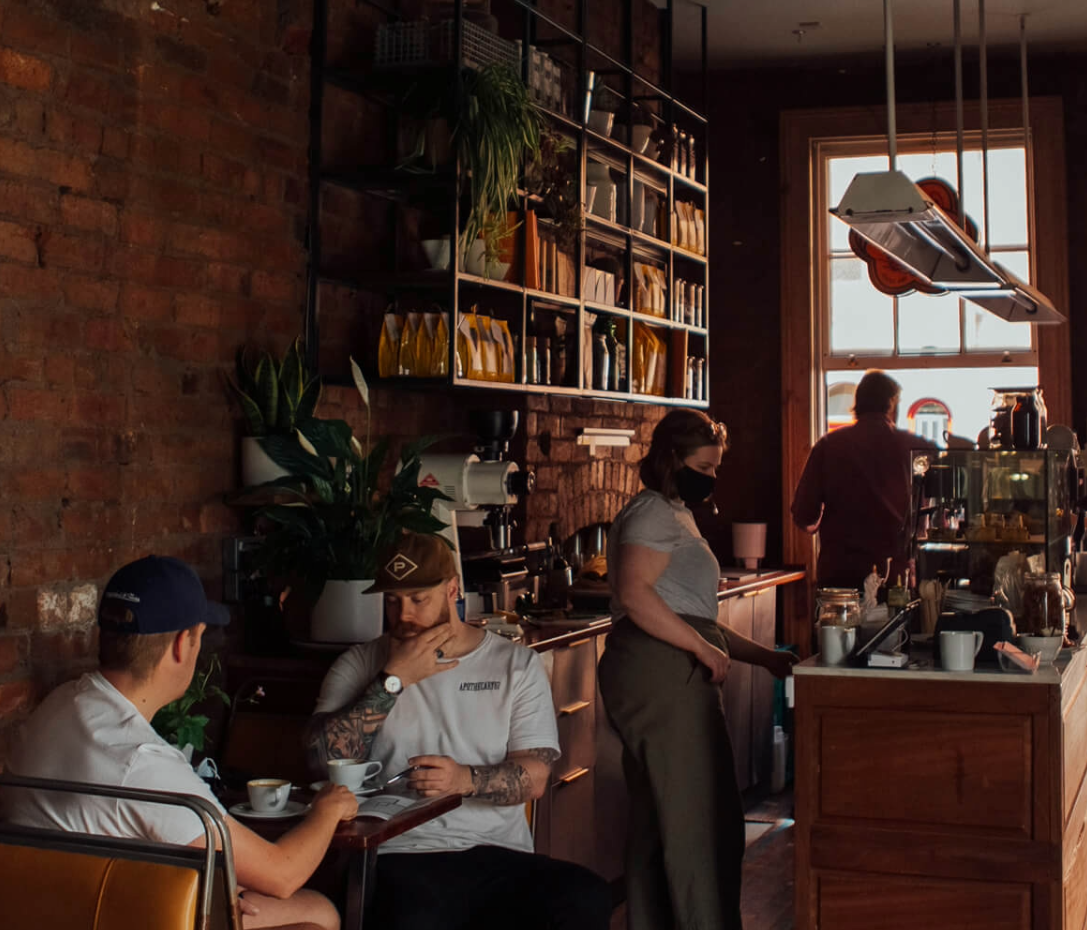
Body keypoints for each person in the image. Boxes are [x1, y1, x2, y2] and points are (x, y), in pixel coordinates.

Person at [0, 555, 357, 930]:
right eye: (200, 638)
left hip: (45, 904)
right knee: (319, 915)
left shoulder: (57, 706)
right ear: (182, 644)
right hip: (110, 915)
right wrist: (327, 809)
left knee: (311, 910)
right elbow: (282, 874)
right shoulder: (138, 758)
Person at [304, 531, 610, 930]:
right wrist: (392, 682)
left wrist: (464, 779)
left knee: (587, 897)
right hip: (398, 852)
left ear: (452, 590)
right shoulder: (361, 664)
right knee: (416, 916)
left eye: (418, 599)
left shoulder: (514, 665)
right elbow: (317, 760)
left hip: (497, 852)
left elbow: (534, 777)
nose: (404, 615)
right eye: (393, 601)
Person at [598, 409, 799, 930]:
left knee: (662, 819)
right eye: (705, 466)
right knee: (699, 820)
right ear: (671, 459)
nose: (712, 478)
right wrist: (704, 652)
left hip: (669, 664)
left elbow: (694, 618)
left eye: (715, 469)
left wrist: (766, 658)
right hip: (659, 672)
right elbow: (635, 596)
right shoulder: (651, 515)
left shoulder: (674, 513)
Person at [790, 369, 933, 588]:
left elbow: (804, 515)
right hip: (894, 577)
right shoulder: (915, 448)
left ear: (858, 404)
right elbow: (924, 526)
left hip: (840, 576)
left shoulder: (829, 446)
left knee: (838, 622)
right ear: (892, 404)